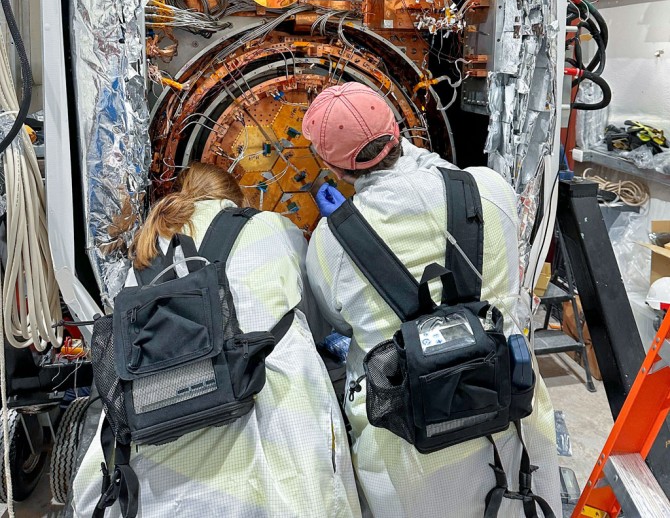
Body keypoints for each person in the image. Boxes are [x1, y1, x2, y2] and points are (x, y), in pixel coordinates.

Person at [304, 83, 561, 518]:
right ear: (399, 132)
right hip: (509, 413)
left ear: (331, 167)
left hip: (411, 449)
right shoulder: (490, 188)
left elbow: (339, 324)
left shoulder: (330, 245)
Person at [71, 162, 361, 518]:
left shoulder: (145, 252)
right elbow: (315, 320)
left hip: (163, 407)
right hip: (266, 403)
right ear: (237, 198)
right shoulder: (270, 225)